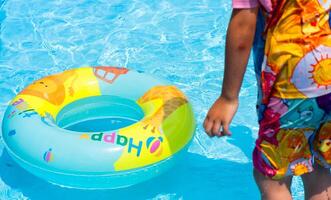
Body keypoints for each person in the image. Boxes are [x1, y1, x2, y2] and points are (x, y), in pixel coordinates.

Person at [203, 0, 331, 199]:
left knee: (271, 178)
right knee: (318, 165)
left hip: (290, 85)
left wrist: (228, 97)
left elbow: (243, 27)